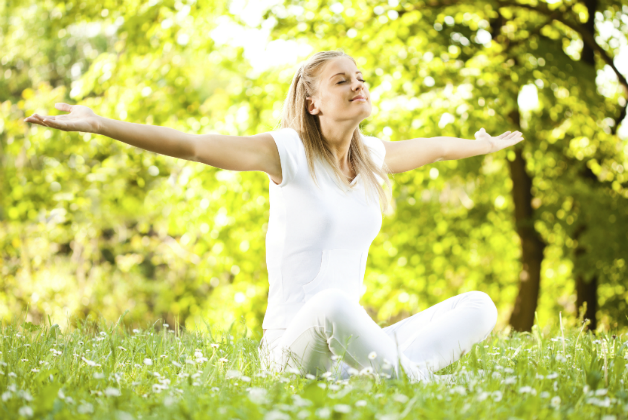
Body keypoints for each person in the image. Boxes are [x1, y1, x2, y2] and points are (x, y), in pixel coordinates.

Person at [25, 50, 524, 384]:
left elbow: (435, 149)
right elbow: (195, 146)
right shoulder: (285, 151)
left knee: (478, 305)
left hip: (354, 347)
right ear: (313, 103)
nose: (358, 85)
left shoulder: (372, 156)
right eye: (341, 80)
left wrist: (480, 145)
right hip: (293, 349)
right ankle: (406, 382)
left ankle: (387, 375)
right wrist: (100, 124)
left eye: (361, 78)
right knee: (332, 305)